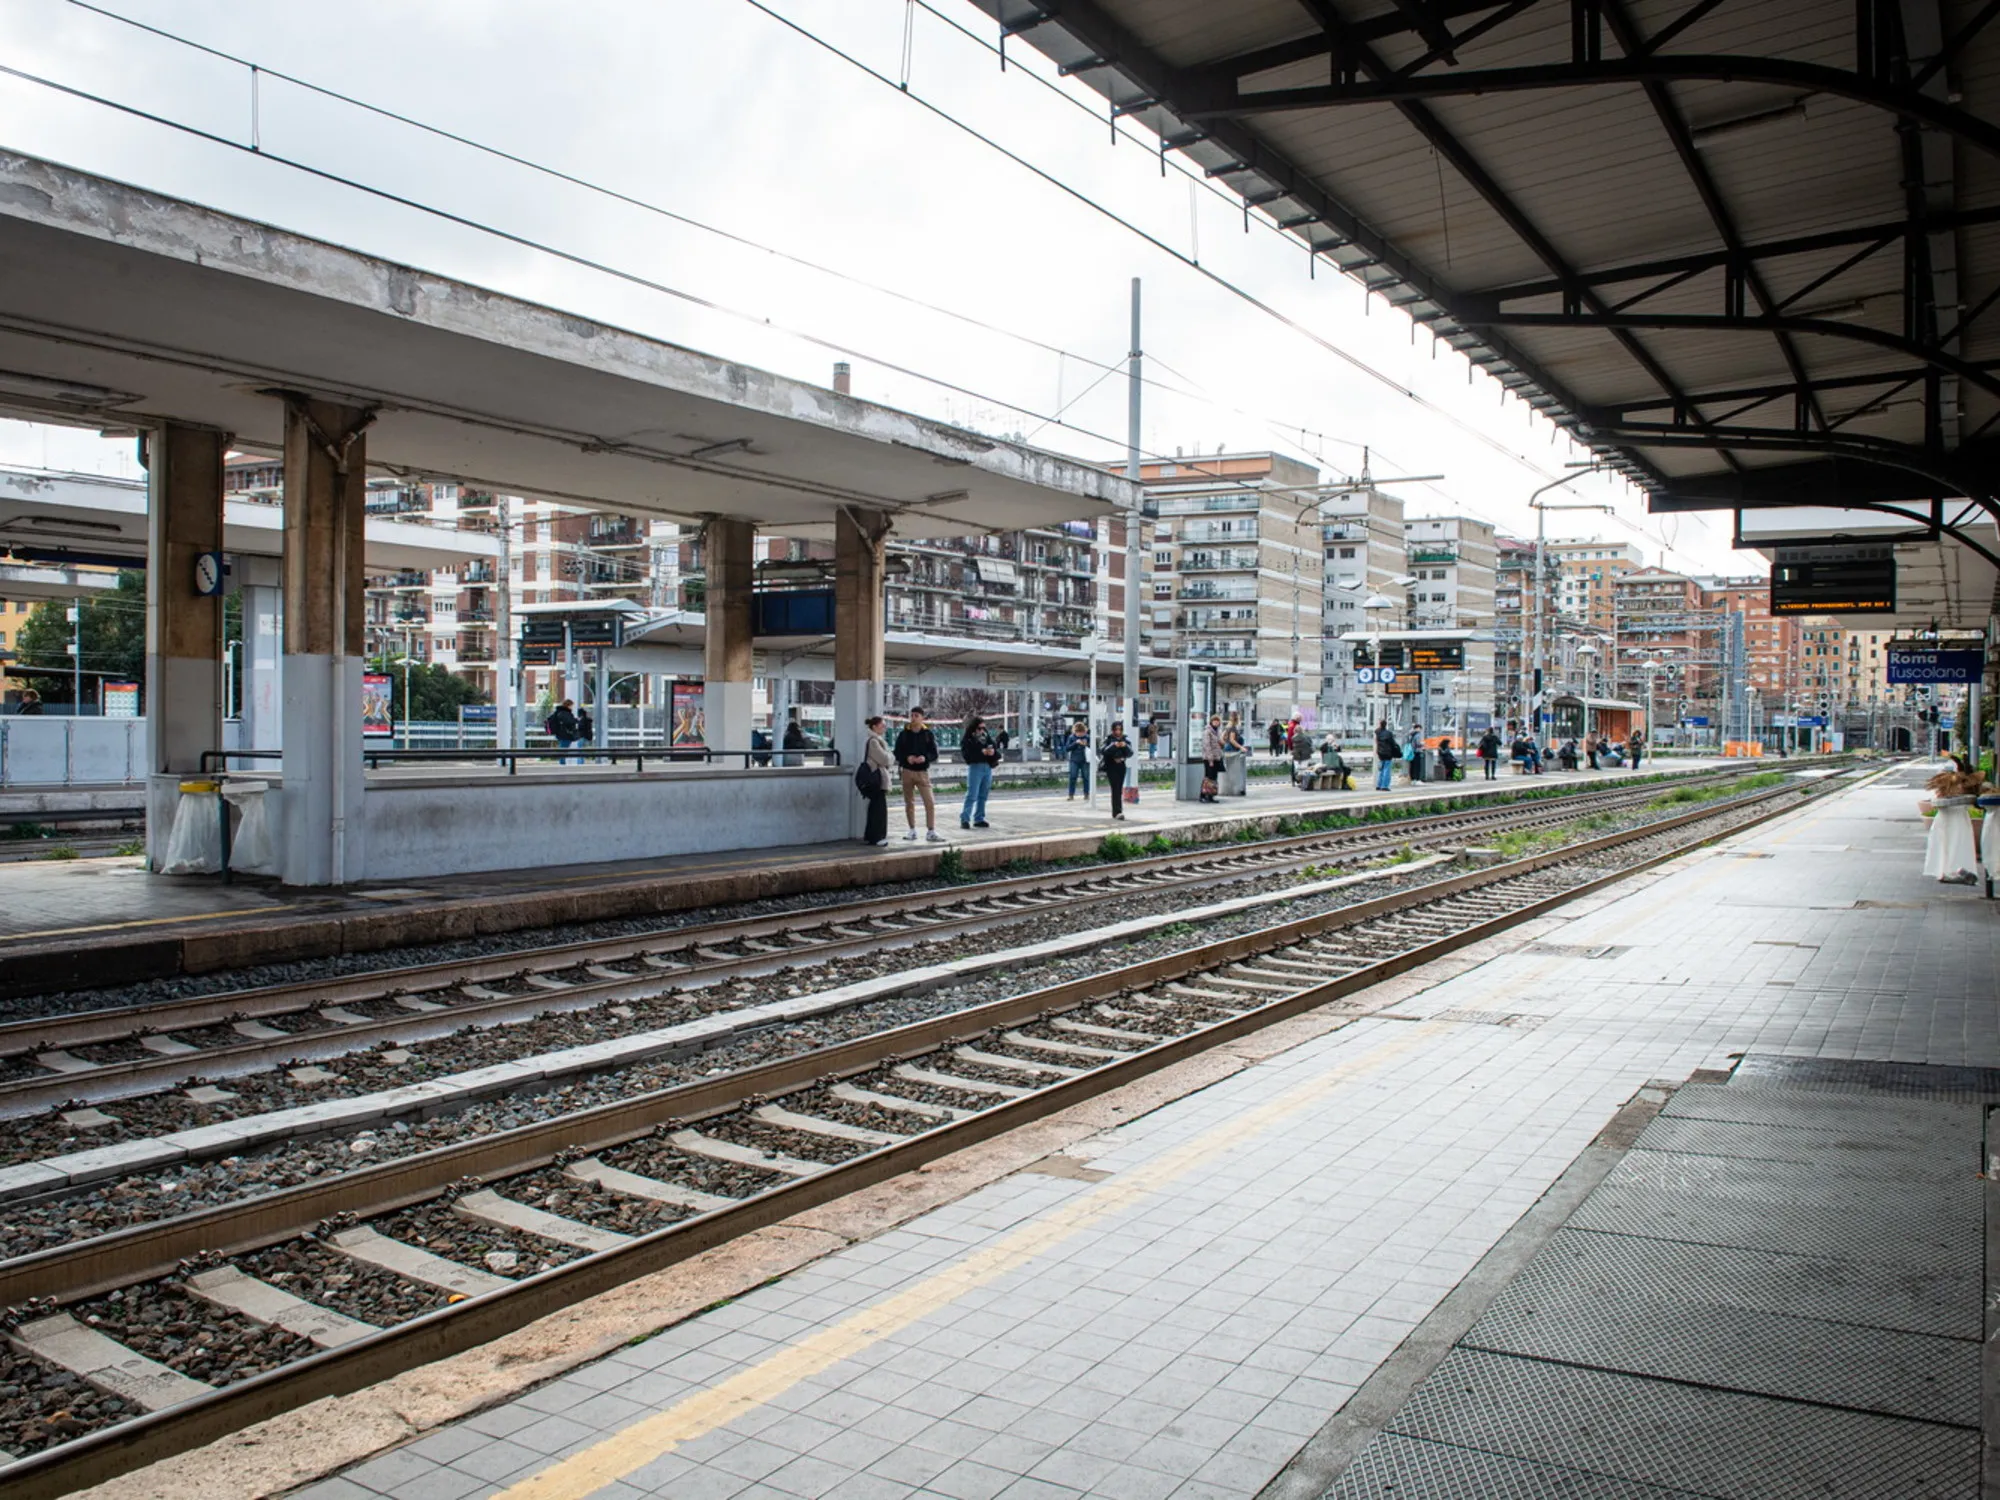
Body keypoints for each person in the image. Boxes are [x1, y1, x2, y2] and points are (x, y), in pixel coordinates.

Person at [894, 706, 944, 842]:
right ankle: (911, 829)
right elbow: (897, 752)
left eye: (917, 715)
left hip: (922, 772)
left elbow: (934, 753)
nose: (914, 718)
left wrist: (925, 758)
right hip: (907, 771)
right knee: (909, 802)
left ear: (922, 717)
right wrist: (906, 758)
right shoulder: (904, 734)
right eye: (912, 715)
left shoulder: (928, 734)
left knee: (929, 801)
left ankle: (931, 830)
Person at [959, 714, 1000, 830]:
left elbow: (996, 751)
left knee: (983, 794)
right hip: (975, 767)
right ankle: (965, 818)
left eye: (983, 728)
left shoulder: (987, 738)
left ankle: (979, 818)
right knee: (972, 794)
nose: (981, 731)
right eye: (979, 728)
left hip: (987, 767)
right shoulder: (968, 740)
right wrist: (982, 752)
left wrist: (992, 753)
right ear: (973, 728)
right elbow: (967, 755)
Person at [860, 715, 894, 846]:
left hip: (877, 778)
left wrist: (889, 756)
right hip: (877, 779)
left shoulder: (875, 740)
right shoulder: (873, 741)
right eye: (882, 725)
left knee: (876, 807)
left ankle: (873, 836)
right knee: (878, 809)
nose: (884, 728)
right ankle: (877, 836)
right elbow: (885, 759)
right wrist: (891, 756)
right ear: (874, 727)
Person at [1100, 721, 1133, 819]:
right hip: (1111, 765)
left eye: (1120, 729)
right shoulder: (1108, 739)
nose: (1118, 732)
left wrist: (1124, 746)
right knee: (1115, 788)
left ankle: (1118, 811)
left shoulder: (1125, 739)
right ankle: (1117, 812)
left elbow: (1130, 753)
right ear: (1113, 730)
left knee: (1119, 788)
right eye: (1116, 729)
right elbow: (1103, 751)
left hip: (1121, 765)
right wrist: (1114, 745)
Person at [545, 698, 579, 764]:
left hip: (561, 734)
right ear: (568, 705)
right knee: (563, 751)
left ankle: (562, 764)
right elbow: (569, 721)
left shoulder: (560, 712)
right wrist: (576, 720)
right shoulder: (564, 713)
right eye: (571, 705)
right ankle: (562, 765)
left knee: (563, 750)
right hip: (565, 735)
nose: (572, 707)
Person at [1063, 719, 1091, 799]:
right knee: (1073, 777)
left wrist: (1085, 744)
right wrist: (1076, 743)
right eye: (1078, 732)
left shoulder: (1087, 737)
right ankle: (1071, 794)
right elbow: (1067, 748)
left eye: (1082, 732)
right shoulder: (1071, 737)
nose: (1080, 734)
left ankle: (1086, 794)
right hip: (1074, 760)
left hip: (1085, 760)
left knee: (1086, 777)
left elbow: (1092, 748)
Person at [1201, 714, 1225, 802]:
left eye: (1218, 721)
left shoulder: (1218, 732)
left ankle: (1211, 795)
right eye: (1214, 721)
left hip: (1217, 758)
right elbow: (1207, 746)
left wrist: (1222, 743)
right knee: (1208, 777)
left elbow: (1220, 745)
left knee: (1214, 778)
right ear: (1211, 722)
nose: (1216, 722)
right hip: (1209, 758)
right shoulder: (1207, 731)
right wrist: (1210, 760)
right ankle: (1203, 795)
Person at [1374, 720, 1401, 791]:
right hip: (1388, 753)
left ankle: (1379, 785)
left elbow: (1377, 742)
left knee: (1381, 769)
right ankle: (1384, 786)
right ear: (1386, 725)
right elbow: (1393, 743)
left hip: (1380, 752)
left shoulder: (1378, 733)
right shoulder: (1389, 733)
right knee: (1386, 769)